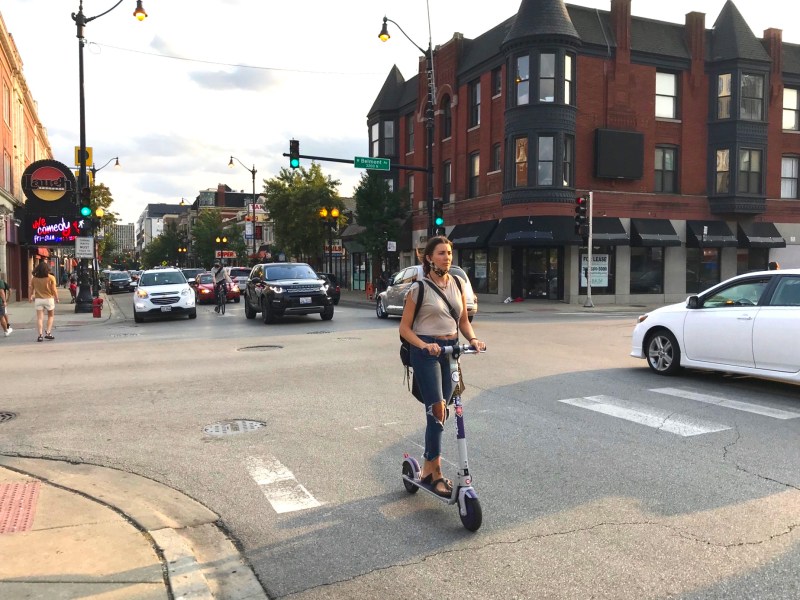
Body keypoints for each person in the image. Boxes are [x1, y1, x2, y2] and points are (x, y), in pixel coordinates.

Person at [398, 235, 486, 497]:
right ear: (428, 258)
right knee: (437, 410)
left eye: (449, 253)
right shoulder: (419, 288)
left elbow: (463, 321)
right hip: (426, 351)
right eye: (441, 253)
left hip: (451, 351)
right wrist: (424, 346)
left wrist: (472, 339)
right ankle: (435, 472)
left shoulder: (457, 283)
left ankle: (426, 467)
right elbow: (404, 328)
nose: (447, 257)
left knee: (443, 413)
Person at [29, 261, 59, 342]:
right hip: (49, 299)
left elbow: (31, 288)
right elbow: (54, 289)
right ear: (47, 269)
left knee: (39, 318)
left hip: (38, 299)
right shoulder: (51, 277)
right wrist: (57, 298)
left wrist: (30, 297)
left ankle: (40, 335)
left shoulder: (34, 279)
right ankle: (48, 332)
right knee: (51, 316)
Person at [0, 270, 11, 337]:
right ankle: (6, 331)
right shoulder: (1, 282)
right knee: (1, 317)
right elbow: (1, 292)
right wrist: (5, 301)